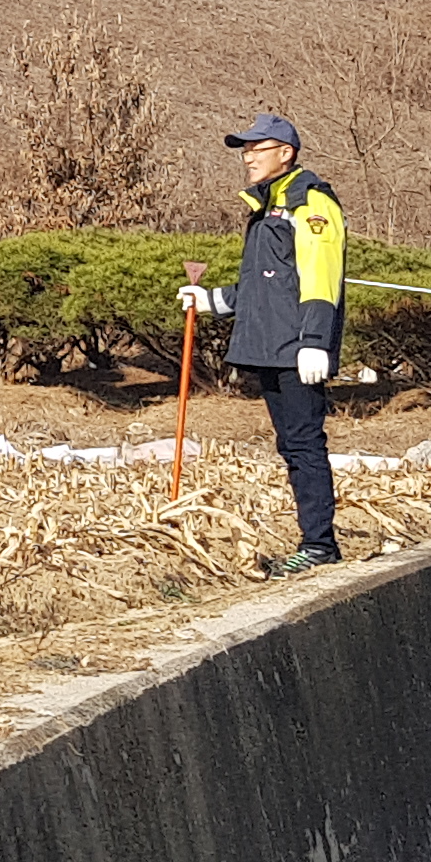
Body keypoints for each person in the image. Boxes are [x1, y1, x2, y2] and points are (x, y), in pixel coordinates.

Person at [176, 114, 345, 575]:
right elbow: (266, 284)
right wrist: (213, 300)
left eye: (257, 148)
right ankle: (315, 540)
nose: (248, 157)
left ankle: (320, 545)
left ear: (285, 153)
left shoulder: (308, 202)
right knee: (290, 444)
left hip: (297, 347)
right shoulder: (266, 206)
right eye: (245, 150)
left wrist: (315, 341)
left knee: (305, 444)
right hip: (271, 344)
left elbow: (320, 276)